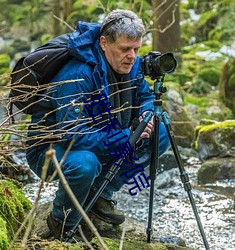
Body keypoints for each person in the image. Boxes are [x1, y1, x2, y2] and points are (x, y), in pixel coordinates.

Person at [26, 9, 170, 241]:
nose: (132, 56)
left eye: (136, 49)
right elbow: (71, 134)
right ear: (104, 43)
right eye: (125, 49)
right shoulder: (77, 75)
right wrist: (126, 136)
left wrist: (146, 114)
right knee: (85, 164)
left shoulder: (131, 65)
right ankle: (61, 221)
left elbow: (144, 96)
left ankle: (100, 194)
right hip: (52, 149)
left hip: (105, 136)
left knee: (160, 132)